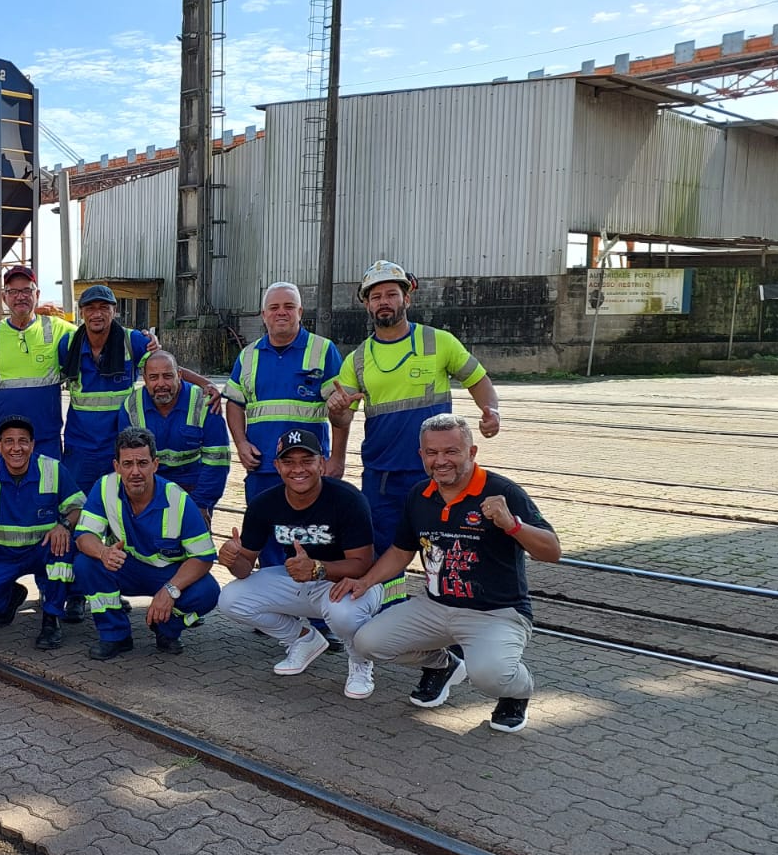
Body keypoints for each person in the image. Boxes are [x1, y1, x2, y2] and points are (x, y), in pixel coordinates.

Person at [331, 414, 559, 733]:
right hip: (435, 606)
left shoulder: (502, 491)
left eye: (451, 451)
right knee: (368, 642)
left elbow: (552, 551)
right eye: (432, 453)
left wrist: (512, 525)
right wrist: (365, 581)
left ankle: (516, 692)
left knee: (490, 675)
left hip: (495, 612)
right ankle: (443, 665)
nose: (441, 461)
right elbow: (401, 551)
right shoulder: (419, 495)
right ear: (421, 455)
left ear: (472, 452)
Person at [58, 285, 220, 620]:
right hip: (81, 449)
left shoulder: (133, 341)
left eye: (104, 307)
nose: (97, 314)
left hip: (122, 447)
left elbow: (161, 369)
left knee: (127, 521)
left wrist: (204, 383)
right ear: (82, 312)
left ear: (114, 311)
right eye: (90, 308)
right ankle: (76, 593)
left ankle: (159, 593)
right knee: (83, 519)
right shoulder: (68, 344)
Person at [324, 261, 501, 551]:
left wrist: (492, 411)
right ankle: (391, 584)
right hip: (383, 475)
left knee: (449, 548)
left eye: (391, 294)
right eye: (376, 297)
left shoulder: (439, 342)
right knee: (383, 550)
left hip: (438, 470)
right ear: (367, 305)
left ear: (406, 298)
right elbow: (343, 420)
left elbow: (478, 380)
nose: (383, 302)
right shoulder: (357, 359)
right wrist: (337, 413)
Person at [214, 429, 380, 698]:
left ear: (321, 463)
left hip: (351, 582)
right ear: (277, 466)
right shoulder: (264, 503)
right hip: (302, 578)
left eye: (307, 460)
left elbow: (363, 564)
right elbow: (244, 568)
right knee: (231, 598)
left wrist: (318, 568)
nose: (298, 469)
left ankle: (360, 660)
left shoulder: (347, 499)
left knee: (344, 615)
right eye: (289, 462)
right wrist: (232, 560)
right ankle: (303, 639)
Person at [72, 426, 219, 660]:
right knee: (85, 564)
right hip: (126, 568)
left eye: (142, 463)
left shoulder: (178, 500)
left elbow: (203, 557)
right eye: (127, 464)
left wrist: (170, 590)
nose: (135, 472)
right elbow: (83, 536)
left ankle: (166, 628)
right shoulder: (104, 487)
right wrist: (103, 552)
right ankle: (115, 635)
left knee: (208, 591)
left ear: (155, 464)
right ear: (116, 466)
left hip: (167, 573)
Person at [0, 415, 82, 648]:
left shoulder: (52, 469)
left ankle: (51, 619)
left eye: (23, 441)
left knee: (64, 547)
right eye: (9, 441)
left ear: (32, 444)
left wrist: (64, 525)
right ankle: (9, 597)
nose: (16, 448)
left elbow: (79, 507)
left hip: (42, 551)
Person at [224, 281, 346, 502]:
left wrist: (337, 459)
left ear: (300, 312)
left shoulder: (324, 350)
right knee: (262, 524)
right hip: (262, 467)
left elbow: (341, 409)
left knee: (311, 524)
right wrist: (241, 443)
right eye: (274, 307)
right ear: (264, 315)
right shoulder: (248, 355)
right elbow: (234, 403)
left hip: (308, 469)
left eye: (289, 306)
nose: (281, 312)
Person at [0, 265, 73, 459]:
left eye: (27, 290)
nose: (20, 297)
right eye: (13, 292)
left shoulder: (59, 329)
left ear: (37, 294)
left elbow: (95, 337)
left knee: (48, 480)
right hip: (3, 443)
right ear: (4, 297)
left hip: (45, 441)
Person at [116, 350, 229, 518]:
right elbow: (129, 465)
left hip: (193, 487)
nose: (161, 384)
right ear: (145, 379)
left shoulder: (204, 403)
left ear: (179, 375)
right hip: (150, 490)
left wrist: (200, 504)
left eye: (168, 376)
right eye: (153, 377)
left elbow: (217, 462)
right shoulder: (131, 406)